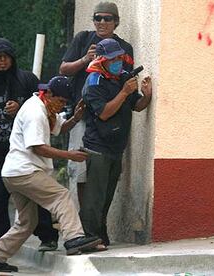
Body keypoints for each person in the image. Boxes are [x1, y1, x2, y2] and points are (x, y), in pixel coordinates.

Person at [0, 76, 102, 273]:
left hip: (15, 172)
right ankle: (74, 238)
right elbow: (38, 148)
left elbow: (60, 128)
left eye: (65, 103)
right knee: (61, 195)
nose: (62, 106)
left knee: (27, 222)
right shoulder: (34, 111)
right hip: (25, 170)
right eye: (61, 102)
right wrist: (69, 155)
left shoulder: (44, 107)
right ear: (50, 94)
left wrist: (75, 118)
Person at [0, 38, 58, 254]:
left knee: (37, 193)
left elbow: (44, 103)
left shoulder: (26, 80)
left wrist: (22, 107)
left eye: (6, 57)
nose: (2, 62)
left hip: (26, 151)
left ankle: (48, 236)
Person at [59, 1, 134, 208]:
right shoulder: (83, 39)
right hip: (82, 114)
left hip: (110, 116)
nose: (101, 22)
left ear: (116, 22)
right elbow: (64, 69)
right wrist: (85, 59)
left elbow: (124, 77)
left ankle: (95, 226)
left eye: (107, 18)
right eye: (97, 18)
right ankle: (83, 227)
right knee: (80, 171)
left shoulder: (124, 48)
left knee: (105, 172)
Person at [80, 38, 152, 251]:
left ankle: (100, 235)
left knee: (107, 196)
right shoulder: (94, 82)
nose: (117, 62)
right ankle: (89, 237)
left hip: (116, 148)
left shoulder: (122, 78)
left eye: (120, 58)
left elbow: (137, 106)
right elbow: (103, 113)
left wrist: (146, 96)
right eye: (113, 59)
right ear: (102, 60)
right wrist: (124, 92)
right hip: (97, 148)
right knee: (94, 197)